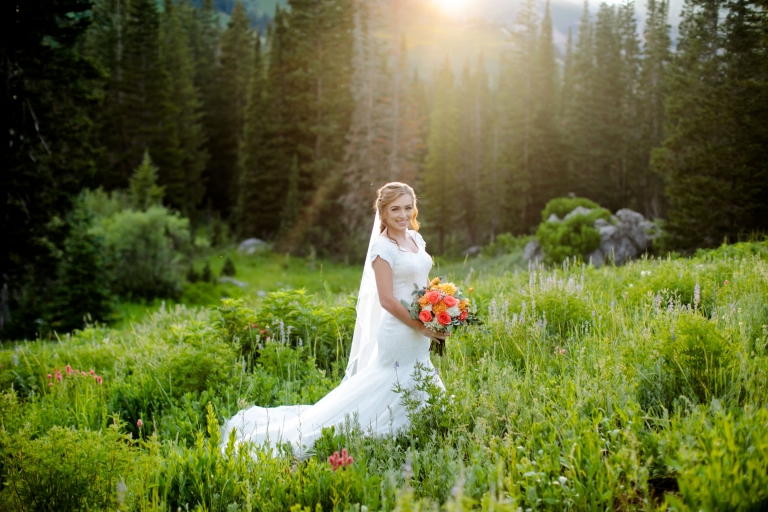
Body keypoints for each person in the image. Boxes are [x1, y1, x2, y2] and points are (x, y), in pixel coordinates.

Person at [220, 182, 447, 458]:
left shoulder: (415, 239)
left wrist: (437, 314)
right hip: (400, 331)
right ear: (383, 213)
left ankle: (426, 426)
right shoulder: (382, 248)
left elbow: (423, 283)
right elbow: (387, 299)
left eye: (407, 208)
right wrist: (419, 326)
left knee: (420, 373)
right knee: (391, 380)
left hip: (421, 328)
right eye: (395, 209)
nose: (402, 214)